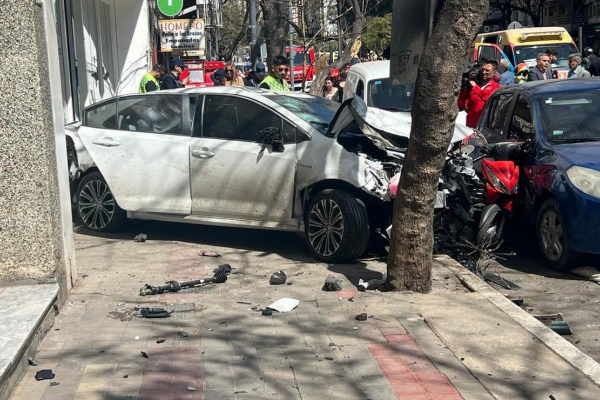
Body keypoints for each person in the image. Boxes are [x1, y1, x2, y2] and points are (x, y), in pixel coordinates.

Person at [458, 60, 501, 128]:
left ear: (494, 72)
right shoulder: (474, 85)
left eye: (487, 70)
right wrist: (464, 88)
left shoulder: (497, 87)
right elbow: (461, 106)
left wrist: (475, 87)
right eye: (483, 70)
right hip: (470, 125)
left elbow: (488, 98)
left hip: (485, 127)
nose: (484, 72)